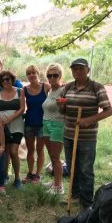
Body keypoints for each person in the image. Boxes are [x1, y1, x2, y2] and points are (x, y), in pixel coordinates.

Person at [58, 58, 112, 208]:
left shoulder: (97, 87)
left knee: (86, 170)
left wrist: (89, 120)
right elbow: (62, 111)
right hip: (69, 134)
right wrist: (61, 106)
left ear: (88, 70)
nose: (77, 71)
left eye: (81, 69)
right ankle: (74, 195)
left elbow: (109, 111)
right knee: (72, 166)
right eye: (74, 69)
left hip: (87, 138)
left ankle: (87, 202)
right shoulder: (68, 87)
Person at [0, 71, 25, 189]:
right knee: (5, 151)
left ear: (12, 80)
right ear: (1, 82)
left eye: (8, 79)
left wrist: (9, 119)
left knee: (13, 151)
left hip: (16, 125)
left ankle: (17, 178)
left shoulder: (19, 91)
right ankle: (5, 175)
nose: (6, 81)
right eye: (4, 80)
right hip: (2, 127)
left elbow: (22, 108)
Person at [23, 65, 50, 184]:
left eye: (33, 73)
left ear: (38, 74)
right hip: (29, 122)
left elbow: (58, 90)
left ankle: (37, 175)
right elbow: (21, 106)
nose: (31, 75)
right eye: (29, 73)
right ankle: (30, 173)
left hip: (42, 124)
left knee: (40, 150)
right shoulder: (24, 89)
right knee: (30, 150)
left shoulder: (46, 87)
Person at [42, 63, 65, 194]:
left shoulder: (63, 90)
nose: (52, 78)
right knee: (52, 156)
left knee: (56, 157)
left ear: (60, 75)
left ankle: (59, 187)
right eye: (49, 75)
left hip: (57, 125)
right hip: (46, 124)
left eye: (55, 75)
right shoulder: (49, 90)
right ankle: (55, 181)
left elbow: (66, 108)